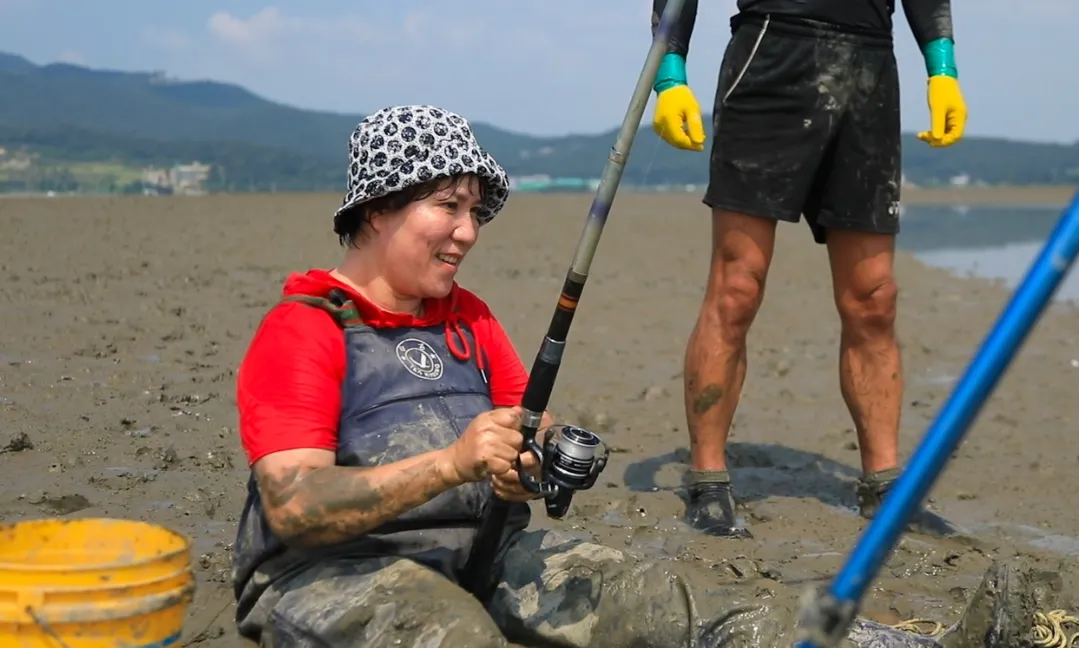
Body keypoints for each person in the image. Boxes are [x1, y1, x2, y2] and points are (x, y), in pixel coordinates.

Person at [226, 104, 1029, 647]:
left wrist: (544, 450)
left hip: (486, 552)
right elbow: (294, 507)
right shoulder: (306, 329)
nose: (467, 231)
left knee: (670, 600)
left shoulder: (465, 319)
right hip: (334, 575)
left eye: (475, 211)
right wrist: (452, 463)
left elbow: (514, 426)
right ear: (376, 209)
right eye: (446, 206)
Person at [648, 0, 969, 538]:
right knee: (737, 286)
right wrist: (670, 72)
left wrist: (942, 68)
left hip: (869, 62)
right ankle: (707, 479)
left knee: (874, 297)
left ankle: (885, 485)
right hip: (771, 51)